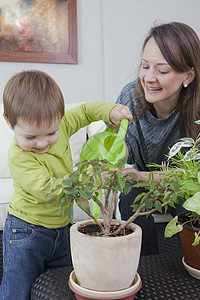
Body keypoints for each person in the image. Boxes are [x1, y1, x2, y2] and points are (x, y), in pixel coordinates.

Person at [0, 70, 132, 300]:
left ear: (59, 118)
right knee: (17, 289)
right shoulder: (19, 157)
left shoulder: (62, 124)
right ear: (9, 123)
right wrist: (93, 176)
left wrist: (109, 110)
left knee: (61, 284)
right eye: (31, 137)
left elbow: (83, 112)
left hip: (62, 227)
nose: (42, 143)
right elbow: (48, 189)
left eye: (51, 133)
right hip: (26, 232)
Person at [116, 22, 200, 256]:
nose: (149, 78)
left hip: (186, 185)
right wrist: (112, 151)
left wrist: (140, 175)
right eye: (145, 66)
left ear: (189, 75)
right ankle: (147, 268)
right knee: (130, 190)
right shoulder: (131, 96)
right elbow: (125, 151)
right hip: (143, 183)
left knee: (190, 203)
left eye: (162, 71)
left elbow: (190, 179)